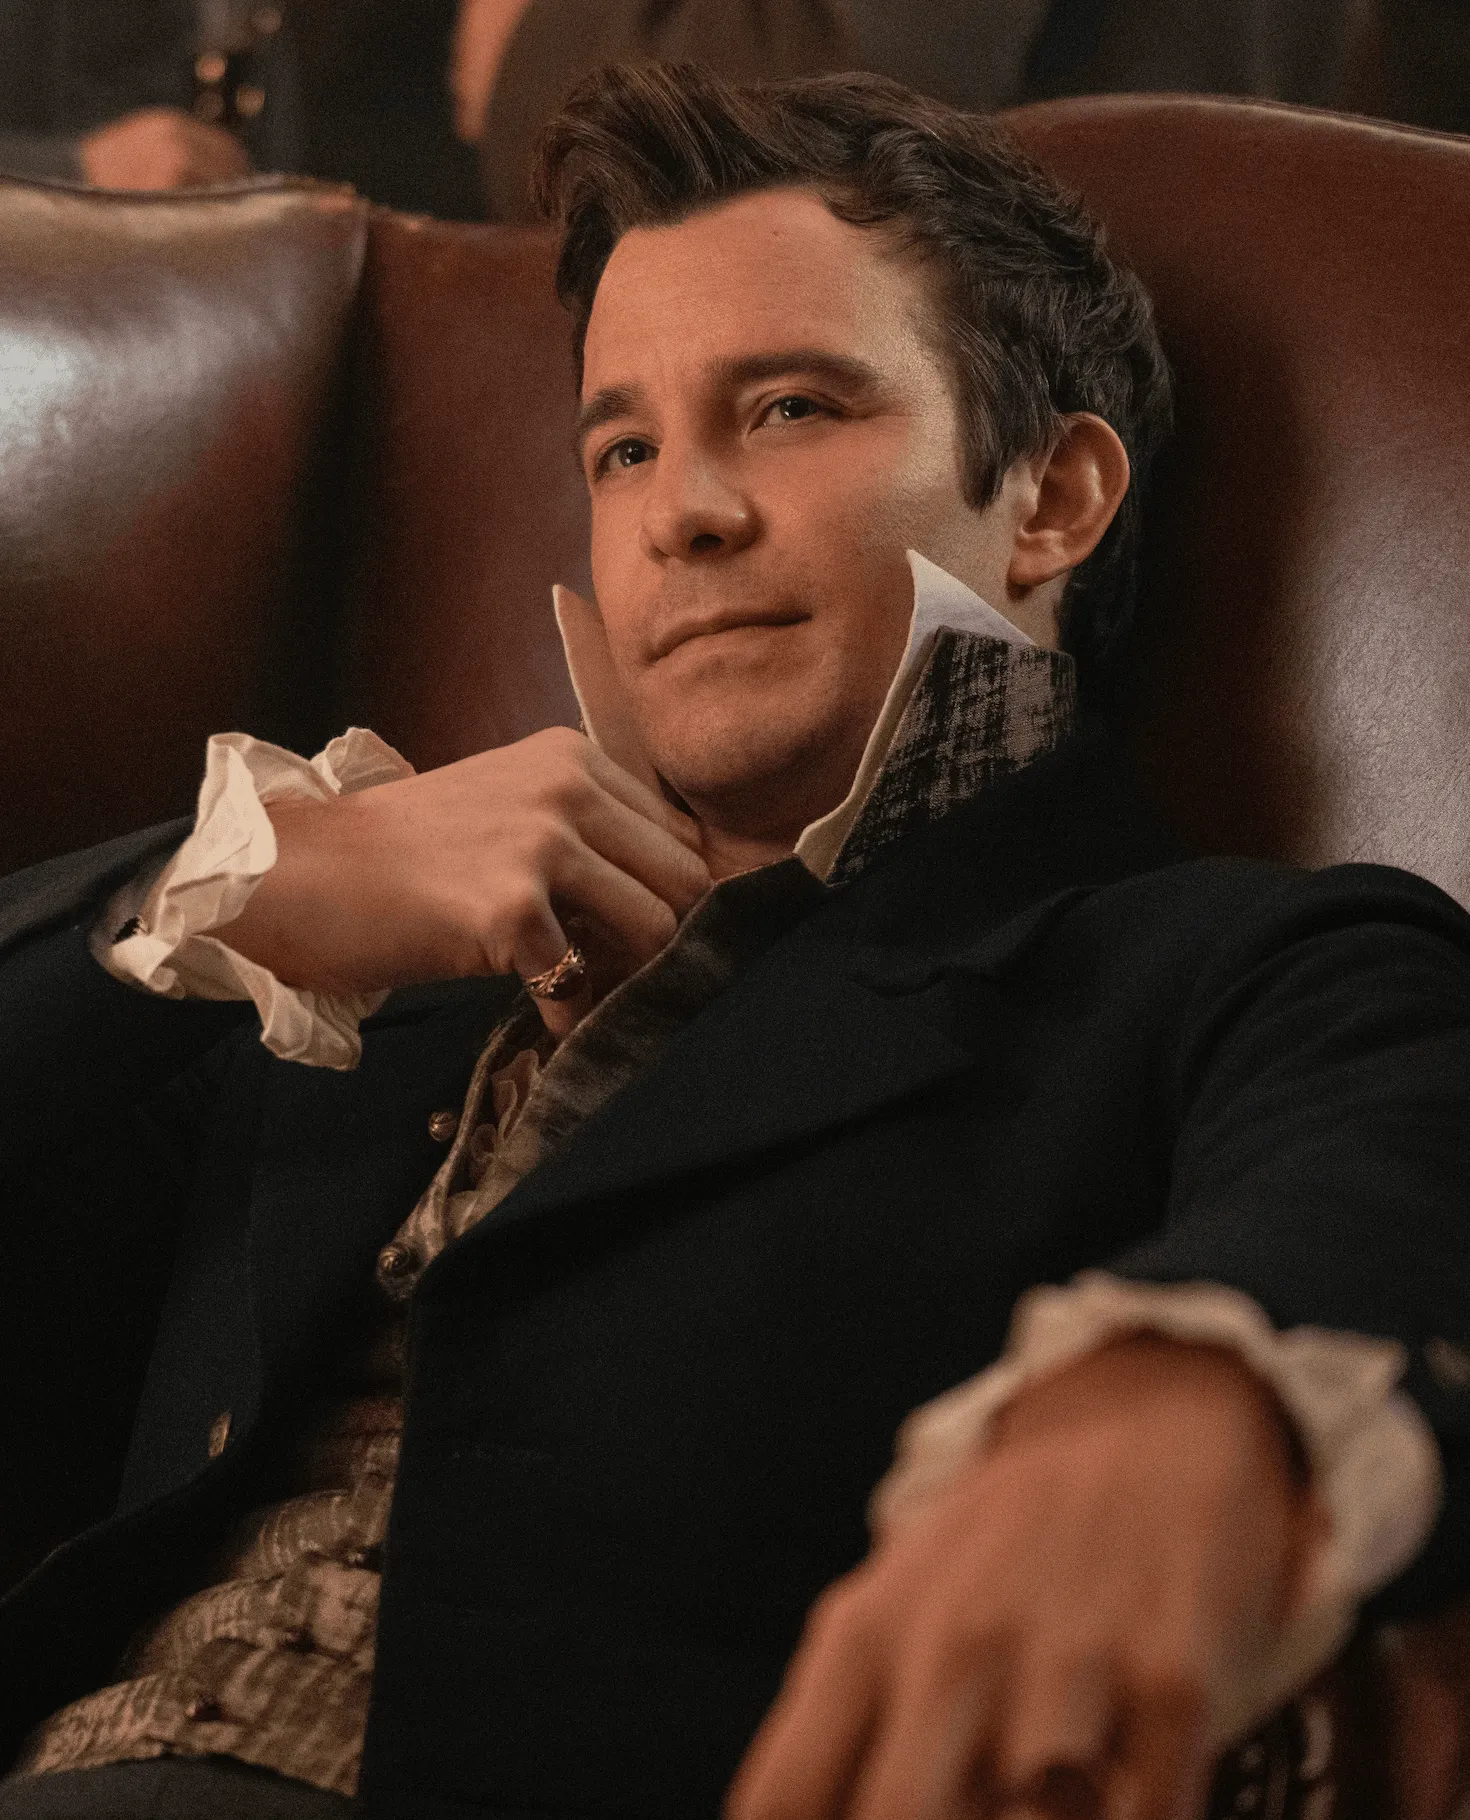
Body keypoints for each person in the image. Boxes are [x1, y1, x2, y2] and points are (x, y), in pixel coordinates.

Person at [1, 59, 1469, 1820]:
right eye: (622, 447)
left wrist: (1195, 1394)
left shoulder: (1207, 963)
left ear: (1052, 499)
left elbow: (1403, 1170)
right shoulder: (355, 997)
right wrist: (215, 897)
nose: (681, 512)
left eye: (788, 409)